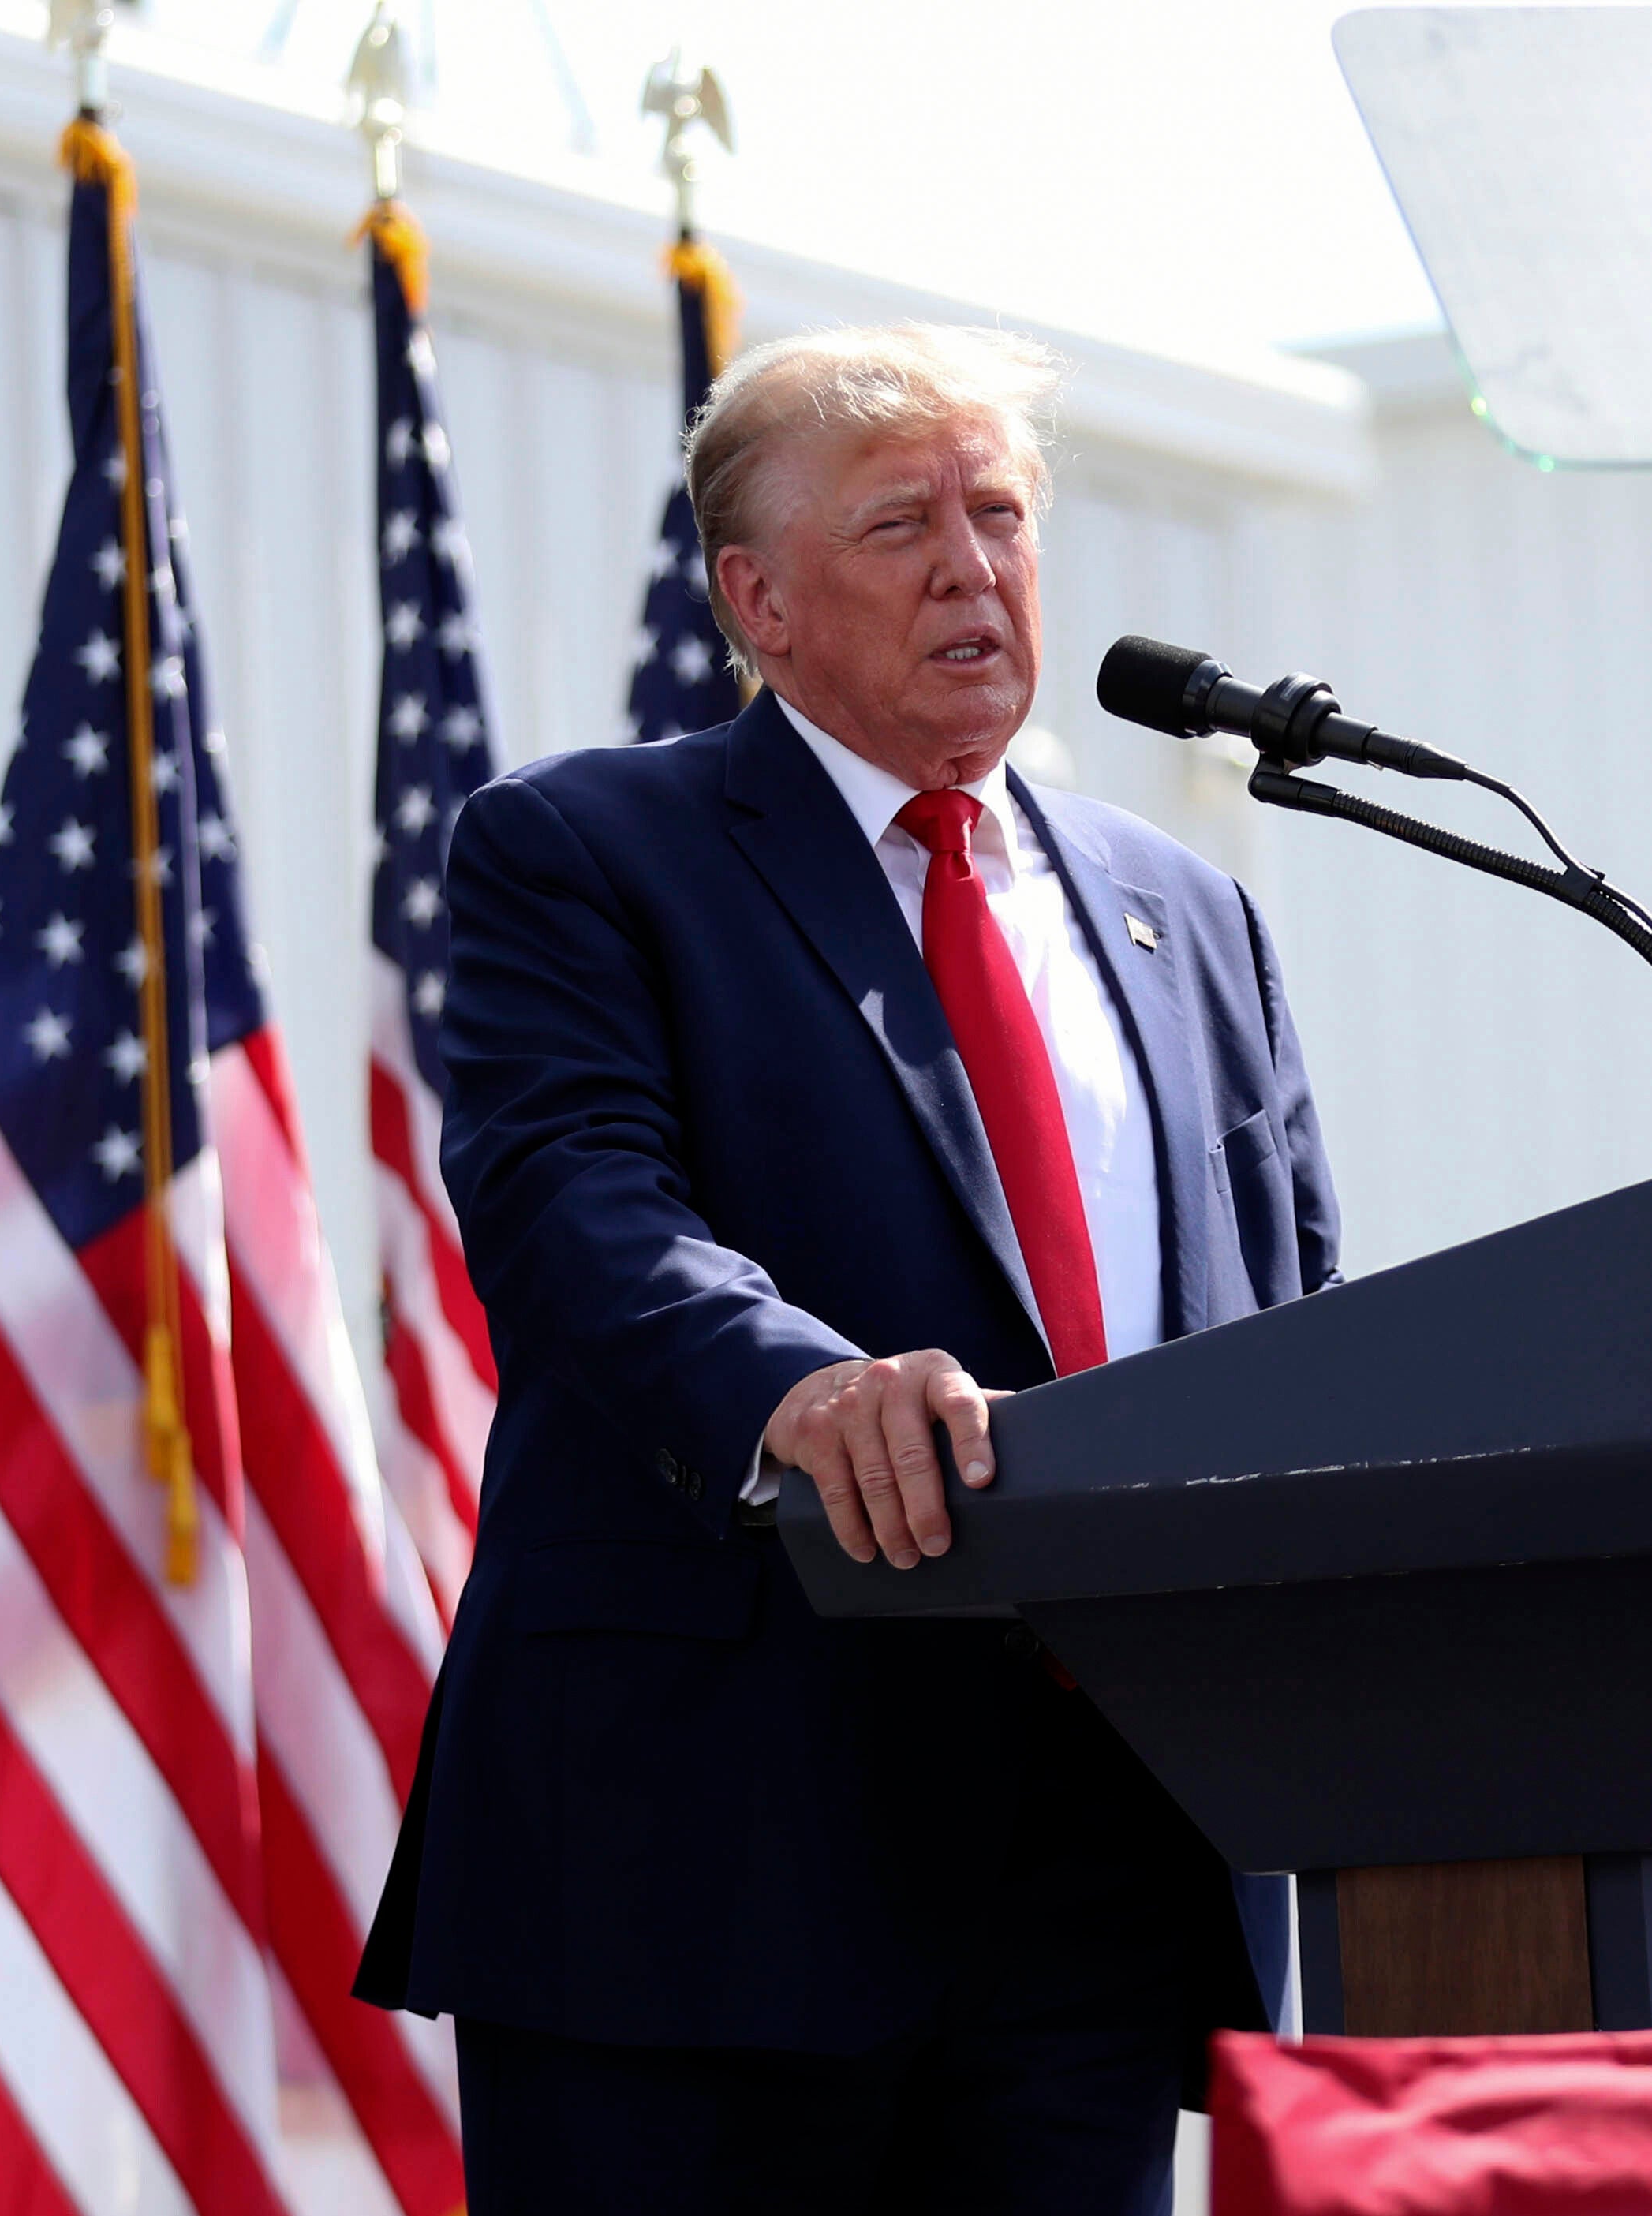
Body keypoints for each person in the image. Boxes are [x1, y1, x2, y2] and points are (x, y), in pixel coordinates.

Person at [355, 323, 1342, 2215]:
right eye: (901, 527)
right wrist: (793, 1387)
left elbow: (1286, 1305)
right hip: (708, 1856)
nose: (973, 569)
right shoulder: (585, 849)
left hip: (1101, 1854)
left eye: (1000, 515)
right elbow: (574, 1198)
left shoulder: (1189, 910)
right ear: (760, 600)